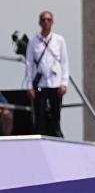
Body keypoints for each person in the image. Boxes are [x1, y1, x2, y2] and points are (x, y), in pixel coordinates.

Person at [24, 10, 69, 138]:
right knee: (40, 114)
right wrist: (29, 86)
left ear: (52, 22)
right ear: (39, 22)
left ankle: (56, 136)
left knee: (56, 113)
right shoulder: (33, 42)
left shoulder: (59, 40)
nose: (46, 22)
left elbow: (64, 63)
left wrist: (64, 83)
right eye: (43, 20)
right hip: (40, 84)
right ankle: (40, 136)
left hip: (55, 83)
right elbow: (29, 64)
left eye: (48, 20)